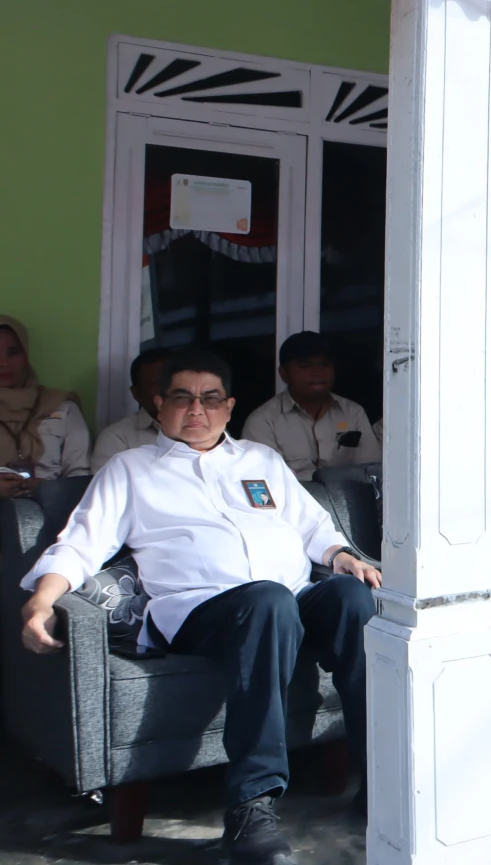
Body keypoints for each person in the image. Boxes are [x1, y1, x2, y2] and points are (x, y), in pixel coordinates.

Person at [19, 347, 380, 865]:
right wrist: (40, 602)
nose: (196, 409)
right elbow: (79, 545)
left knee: (351, 597)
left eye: (210, 399)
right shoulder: (130, 469)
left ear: (229, 407)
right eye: (182, 398)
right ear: (158, 404)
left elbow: (312, 526)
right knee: (268, 602)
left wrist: (342, 556)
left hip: (290, 599)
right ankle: (251, 806)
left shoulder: (260, 460)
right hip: (201, 611)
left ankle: (379, 777)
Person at [241, 332, 380, 480]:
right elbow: (264, 481)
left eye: (325, 364)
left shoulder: (353, 413)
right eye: (305, 366)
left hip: (347, 495)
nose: (317, 372)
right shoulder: (264, 421)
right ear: (283, 374)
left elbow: (371, 472)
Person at [0, 314, 89, 496]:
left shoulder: (61, 405)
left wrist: (49, 489)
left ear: (26, 355)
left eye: (13, 352)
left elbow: (80, 478)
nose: (4, 363)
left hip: (52, 509)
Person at [91, 348, 170, 469]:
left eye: (173, 384)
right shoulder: (118, 438)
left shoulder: (197, 429)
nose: (168, 391)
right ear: (136, 394)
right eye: (157, 386)